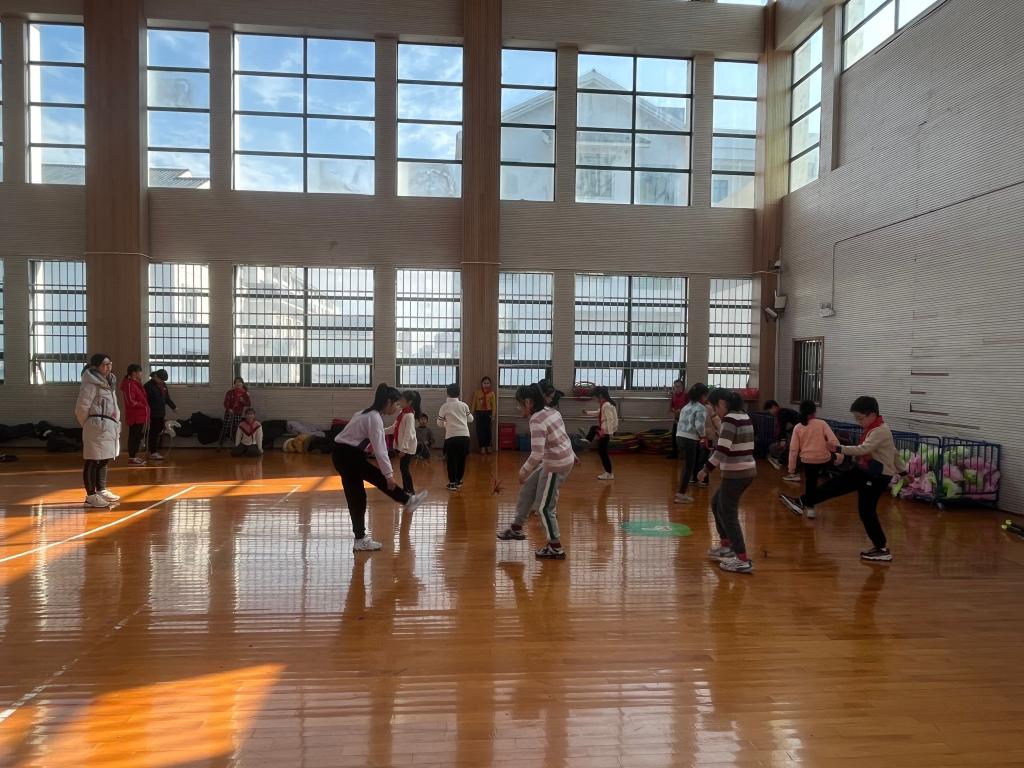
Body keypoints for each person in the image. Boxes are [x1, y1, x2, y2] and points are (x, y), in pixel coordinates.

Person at [780, 396, 908, 562]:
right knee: (837, 488)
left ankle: (881, 549)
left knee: (864, 510)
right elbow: (894, 453)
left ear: (872, 415)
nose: (858, 422)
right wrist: (904, 473)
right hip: (866, 471)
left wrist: (838, 448)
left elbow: (863, 449)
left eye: (860, 418)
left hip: (876, 476)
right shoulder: (876, 428)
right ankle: (802, 502)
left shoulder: (880, 431)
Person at [333, 384, 429, 551]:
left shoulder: (365, 413)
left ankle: (407, 501)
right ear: (388, 402)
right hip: (347, 456)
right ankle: (360, 539)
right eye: (396, 404)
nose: (398, 408)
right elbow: (380, 449)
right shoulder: (374, 418)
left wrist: (387, 475)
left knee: (374, 480)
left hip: (346, 454)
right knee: (359, 495)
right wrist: (389, 475)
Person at [497, 383, 575, 560]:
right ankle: (516, 528)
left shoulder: (537, 420)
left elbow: (537, 453)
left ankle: (556, 547)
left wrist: (523, 471)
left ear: (528, 402)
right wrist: (573, 454)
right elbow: (562, 436)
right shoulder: (552, 412)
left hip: (556, 464)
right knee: (528, 489)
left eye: (519, 404)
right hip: (555, 459)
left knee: (544, 508)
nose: (518, 408)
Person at [698, 390, 756, 574]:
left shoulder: (730, 419)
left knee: (728, 514)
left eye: (715, 407)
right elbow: (728, 443)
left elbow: (722, 450)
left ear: (722, 403)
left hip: (736, 474)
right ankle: (727, 545)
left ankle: (742, 559)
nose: (715, 411)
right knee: (717, 504)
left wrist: (705, 469)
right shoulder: (743, 415)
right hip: (744, 471)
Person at [75, 353, 121, 509]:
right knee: (93, 459)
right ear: (95, 367)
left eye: (110, 364)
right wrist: (90, 424)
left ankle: (101, 490)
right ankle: (90, 496)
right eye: (104, 364)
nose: (108, 367)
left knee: (104, 458)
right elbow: (81, 408)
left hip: (108, 425)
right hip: (96, 426)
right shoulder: (90, 383)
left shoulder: (109, 381)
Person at [784, 400, 840, 519]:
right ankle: (808, 501)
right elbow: (833, 440)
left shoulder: (798, 427)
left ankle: (810, 508)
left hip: (808, 460)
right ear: (814, 411)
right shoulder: (822, 423)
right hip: (824, 458)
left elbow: (793, 449)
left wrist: (791, 468)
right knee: (827, 483)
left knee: (811, 482)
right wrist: (839, 457)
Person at [674, 383, 709, 504]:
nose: (706, 398)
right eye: (706, 396)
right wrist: (703, 436)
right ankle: (681, 494)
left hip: (679, 437)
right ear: (702, 395)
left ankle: (681, 492)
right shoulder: (701, 408)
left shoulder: (686, 406)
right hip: (689, 439)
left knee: (685, 466)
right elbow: (699, 426)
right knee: (688, 467)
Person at [438, 383, 473, 491]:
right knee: (462, 459)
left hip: (451, 437)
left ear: (447, 393)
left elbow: (439, 423)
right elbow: (471, 419)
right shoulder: (464, 405)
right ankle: (458, 481)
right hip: (465, 436)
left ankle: (452, 483)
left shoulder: (444, 406)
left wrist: (446, 423)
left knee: (452, 460)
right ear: (458, 393)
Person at [386, 390, 420, 493]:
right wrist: (381, 431)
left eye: (402, 400)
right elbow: (394, 428)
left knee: (404, 469)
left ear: (409, 402)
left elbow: (408, 434)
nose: (399, 401)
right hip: (403, 447)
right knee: (403, 468)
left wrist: (403, 449)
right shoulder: (402, 413)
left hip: (408, 447)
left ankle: (410, 490)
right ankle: (406, 489)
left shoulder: (409, 415)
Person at [584, 386, 618, 480]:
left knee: (602, 452)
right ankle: (587, 440)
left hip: (606, 431)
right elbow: (598, 413)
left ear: (600, 395)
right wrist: (587, 412)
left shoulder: (606, 405)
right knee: (594, 429)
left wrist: (610, 433)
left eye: (594, 397)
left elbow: (610, 420)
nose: (594, 399)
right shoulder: (604, 404)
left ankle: (609, 473)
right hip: (605, 429)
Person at [119, 363, 150, 465]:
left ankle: (134, 457)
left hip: (140, 415)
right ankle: (131, 458)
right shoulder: (129, 384)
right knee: (134, 437)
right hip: (135, 416)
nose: (141, 373)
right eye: (140, 371)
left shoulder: (136, 383)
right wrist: (143, 406)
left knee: (137, 437)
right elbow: (131, 401)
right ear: (134, 373)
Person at [144, 369, 175, 461]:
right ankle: (153, 452)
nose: (162, 382)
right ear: (156, 376)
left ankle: (154, 450)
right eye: (161, 380)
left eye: (163, 381)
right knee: (153, 432)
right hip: (152, 413)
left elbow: (167, 398)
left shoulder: (163, 385)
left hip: (161, 413)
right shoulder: (148, 386)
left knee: (158, 431)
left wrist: (174, 407)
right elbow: (145, 401)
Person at [764, 399, 800, 470]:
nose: (770, 413)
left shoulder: (782, 413)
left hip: (799, 431)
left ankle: (789, 464)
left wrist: (783, 440)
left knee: (788, 446)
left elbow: (782, 427)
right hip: (797, 430)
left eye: (769, 410)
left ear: (774, 407)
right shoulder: (783, 411)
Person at [221, 377, 251, 448]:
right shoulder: (229, 392)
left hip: (238, 413)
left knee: (237, 429)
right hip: (229, 413)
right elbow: (225, 403)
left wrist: (243, 401)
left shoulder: (245, 393)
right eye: (236, 382)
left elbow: (248, 404)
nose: (238, 383)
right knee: (225, 428)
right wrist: (229, 409)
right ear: (234, 384)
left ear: (242, 384)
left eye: (240, 382)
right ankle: (220, 443)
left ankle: (236, 444)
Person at [472, 376, 498, 455]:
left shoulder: (492, 393)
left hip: (488, 413)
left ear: (490, 384)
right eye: (484, 383)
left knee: (488, 430)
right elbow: (474, 404)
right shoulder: (477, 392)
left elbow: (494, 406)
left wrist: (493, 415)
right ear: (481, 384)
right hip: (479, 413)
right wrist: (471, 413)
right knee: (480, 430)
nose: (486, 385)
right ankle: (482, 447)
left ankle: (488, 446)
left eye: (487, 383)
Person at [666, 379, 688, 459]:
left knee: (684, 437)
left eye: (679, 386)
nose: (677, 388)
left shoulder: (686, 395)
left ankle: (685, 454)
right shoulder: (674, 395)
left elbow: (689, 406)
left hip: (686, 420)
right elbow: (671, 407)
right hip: (677, 419)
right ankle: (675, 453)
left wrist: (681, 410)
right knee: (674, 436)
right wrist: (673, 411)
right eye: (675, 386)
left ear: (682, 387)